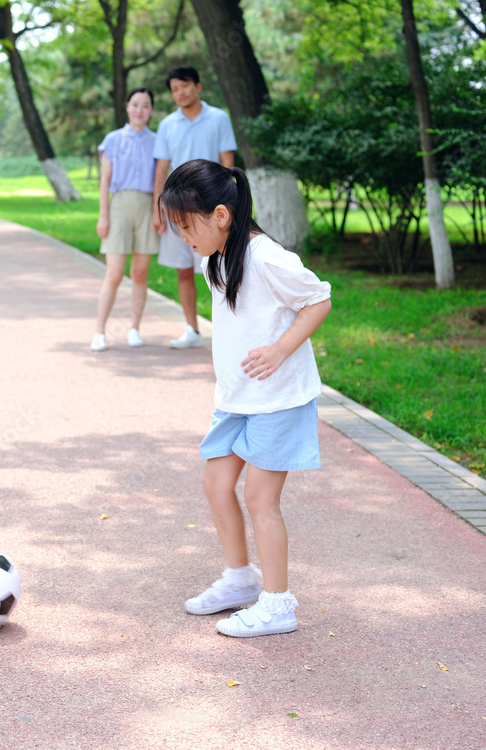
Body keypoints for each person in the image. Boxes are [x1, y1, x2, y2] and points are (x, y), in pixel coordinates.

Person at [160, 160, 331, 637]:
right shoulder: (213, 257)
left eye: (185, 226)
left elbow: (319, 300)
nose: (181, 237)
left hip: (278, 400)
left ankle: (279, 605)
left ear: (221, 215)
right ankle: (240, 580)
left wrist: (280, 349)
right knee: (216, 485)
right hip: (236, 400)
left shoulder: (268, 258)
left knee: (260, 499)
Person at [152, 65, 237, 349]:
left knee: (218, 269)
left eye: (184, 86)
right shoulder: (167, 125)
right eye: (174, 89)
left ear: (198, 86)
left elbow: (228, 164)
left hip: (211, 206)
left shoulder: (219, 118)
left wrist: (230, 205)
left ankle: (228, 331)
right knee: (183, 269)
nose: (180, 93)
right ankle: (192, 329)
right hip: (176, 209)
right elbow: (161, 169)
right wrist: (158, 209)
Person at [92, 87, 160, 352]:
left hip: (147, 206)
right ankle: (99, 331)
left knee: (140, 273)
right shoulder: (113, 139)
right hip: (119, 205)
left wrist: (158, 212)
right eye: (135, 105)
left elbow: (160, 180)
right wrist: (103, 216)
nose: (140, 110)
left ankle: (134, 328)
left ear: (151, 110)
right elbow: (105, 181)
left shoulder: (158, 141)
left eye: (145, 105)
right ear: (127, 107)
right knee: (114, 273)